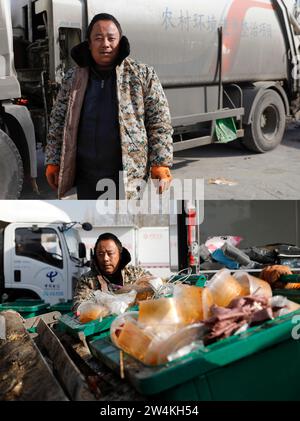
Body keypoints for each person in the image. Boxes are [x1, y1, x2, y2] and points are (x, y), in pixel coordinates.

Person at [45, 13, 173, 199]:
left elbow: (159, 122)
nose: (105, 44)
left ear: (120, 41)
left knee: (127, 226)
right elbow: (58, 121)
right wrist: (53, 160)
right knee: (90, 225)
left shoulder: (142, 74)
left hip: (128, 176)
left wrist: (160, 162)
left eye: (111, 38)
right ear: (89, 44)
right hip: (86, 176)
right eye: (98, 38)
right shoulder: (73, 78)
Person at [73, 232, 152, 311]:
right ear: (96, 257)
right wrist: (107, 302)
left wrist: (136, 290)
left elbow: (157, 289)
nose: (105, 258)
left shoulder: (136, 273)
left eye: (110, 253)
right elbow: (79, 306)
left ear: (120, 254)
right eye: (100, 254)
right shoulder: (87, 280)